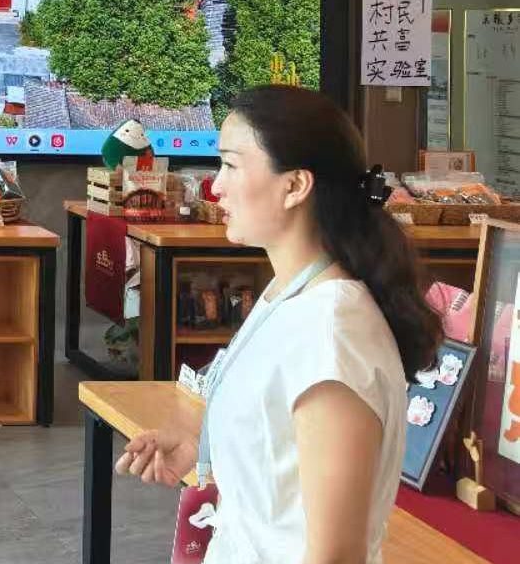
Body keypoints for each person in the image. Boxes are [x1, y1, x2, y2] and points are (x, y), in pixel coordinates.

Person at [116, 85, 441, 564]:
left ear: (295, 186)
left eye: (230, 165)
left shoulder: (333, 334)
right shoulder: (287, 293)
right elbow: (282, 448)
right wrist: (204, 448)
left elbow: (335, 556)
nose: (215, 187)